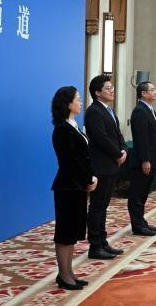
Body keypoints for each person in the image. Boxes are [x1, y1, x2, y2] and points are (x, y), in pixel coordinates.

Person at [50, 86, 97, 290]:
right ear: (67, 103)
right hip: (68, 186)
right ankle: (63, 275)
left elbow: (84, 157)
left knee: (73, 231)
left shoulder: (73, 125)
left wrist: (91, 176)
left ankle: (69, 272)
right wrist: (88, 178)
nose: (80, 102)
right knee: (65, 232)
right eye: (77, 99)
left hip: (77, 185)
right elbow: (71, 161)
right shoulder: (62, 129)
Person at [84, 75, 127, 260]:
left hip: (111, 165)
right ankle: (95, 246)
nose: (112, 91)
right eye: (108, 88)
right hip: (101, 165)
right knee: (97, 206)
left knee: (104, 206)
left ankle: (103, 242)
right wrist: (117, 154)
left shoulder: (108, 110)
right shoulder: (93, 111)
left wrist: (124, 149)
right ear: (97, 92)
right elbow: (101, 138)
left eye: (112, 88)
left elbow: (117, 134)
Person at [128, 82, 156, 236]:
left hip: (151, 159)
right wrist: (145, 160)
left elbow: (154, 137)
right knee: (137, 194)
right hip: (142, 161)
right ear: (143, 93)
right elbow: (141, 139)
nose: (155, 92)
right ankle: (137, 225)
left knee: (143, 193)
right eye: (152, 90)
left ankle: (141, 221)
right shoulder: (140, 111)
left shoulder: (149, 109)